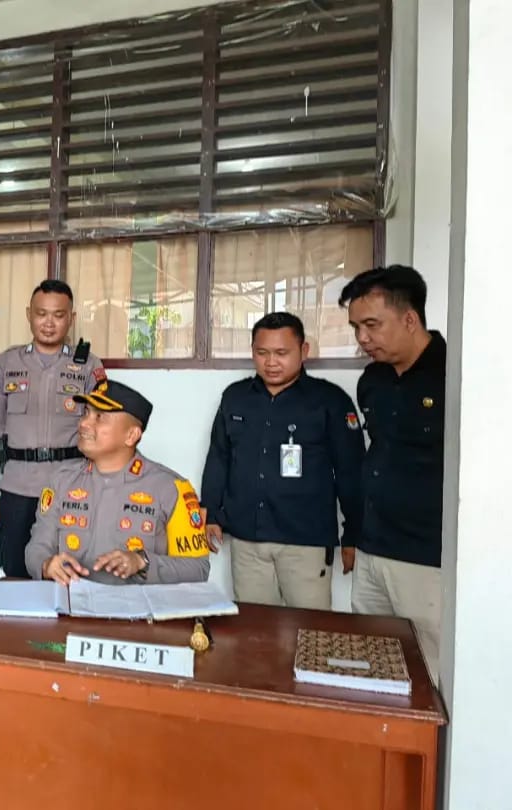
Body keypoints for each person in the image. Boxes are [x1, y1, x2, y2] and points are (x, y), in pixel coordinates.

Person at [199, 312, 365, 609]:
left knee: (309, 629)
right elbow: (219, 457)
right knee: (254, 627)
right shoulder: (236, 398)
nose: (271, 362)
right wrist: (211, 512)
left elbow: (350, 471)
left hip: (306, 542)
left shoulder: (329, 401)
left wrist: (353, 534)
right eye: (262, 353)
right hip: (247, 540)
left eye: (281, 353)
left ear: (304, 351)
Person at [339, 265, 445, 677]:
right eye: (356, 327)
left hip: (426, 558)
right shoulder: (373, 381)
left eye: (372, 325)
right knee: (372, 663)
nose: (362, 338)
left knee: (430, 671)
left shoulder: (455, 375)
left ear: (410, 319)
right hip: (373, 550)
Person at [0, 280, 106, 578]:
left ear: (71, 318)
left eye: (58, 315)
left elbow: (102, 429)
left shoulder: (88, 366)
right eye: (41, 314)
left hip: (71, 485)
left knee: (70, 569)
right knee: (15, 567)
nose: (49, 323)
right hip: (18, 486)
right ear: (29, 314)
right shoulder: (7, 363)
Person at [26, 380, 210, 586]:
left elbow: (198, 569)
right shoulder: (61, 480)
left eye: (99, 417)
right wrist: (46, 565)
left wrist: (143, 562)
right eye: (86, 413)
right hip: (71, 602)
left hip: (139, 605)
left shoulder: (172, 489)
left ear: (131, 435)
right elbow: (37, 548)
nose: (84, 423)